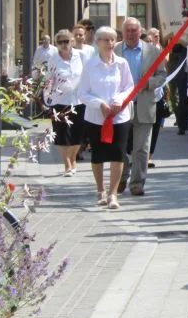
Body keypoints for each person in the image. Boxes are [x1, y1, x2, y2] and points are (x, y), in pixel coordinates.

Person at [76, 27, 134, 210]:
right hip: (96, 117)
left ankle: (113, 193)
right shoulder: (90, 65)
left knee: (118, 154)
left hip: (119, 116)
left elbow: (129, 87)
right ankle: (100, 189)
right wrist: (99, 103)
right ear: (97, 42)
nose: (109, 44)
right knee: (98, 155)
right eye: (105, 40)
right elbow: (82, 93)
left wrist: (118, 100)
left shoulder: (122, 63)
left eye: (112, 40)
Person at [114, 18, 167, 196]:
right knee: (120, 145)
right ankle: (121, 178)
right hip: (121, 106)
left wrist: (149, 84)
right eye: (127, 30)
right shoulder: (114, 50)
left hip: (144, 103)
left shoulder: (151, 51)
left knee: (141, 147)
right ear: (122, 32)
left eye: (134, 30)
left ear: (140, 32)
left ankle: (137, 183)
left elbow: (162, 75)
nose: (130, 34)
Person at [43, 29, 85, 176]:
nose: (63, 44)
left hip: (79, 100)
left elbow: (86, 75)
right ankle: (67, 164)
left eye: (66, 41)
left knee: (78, 134)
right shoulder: (53, 58)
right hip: (59, 101)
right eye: (60, 42)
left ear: (71, 41)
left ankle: (73, 158)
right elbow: (49, 78)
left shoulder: (80, 56)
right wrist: (47, 98)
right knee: (62, 133)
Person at [147, 28, 169, 169]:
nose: (149, 43)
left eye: (152, 40)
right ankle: (138, 154)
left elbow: (164, 72)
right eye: (147, 41)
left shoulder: (159, 53)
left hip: (157, 96)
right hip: (141, 99)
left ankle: (149, 156)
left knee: (154, 128)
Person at [168, 43, 188, 135]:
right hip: (183, 73)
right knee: (183, 99)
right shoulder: (180, 40)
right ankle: (182, 126)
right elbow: (174, 49)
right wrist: (183, 43)